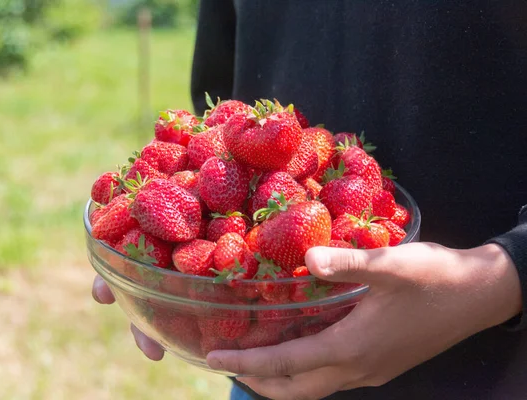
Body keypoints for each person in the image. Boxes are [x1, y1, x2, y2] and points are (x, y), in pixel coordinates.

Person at [92, 1, 527, 399]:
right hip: (261, 359)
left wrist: (507, 275)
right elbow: (220, 92)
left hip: (486, 371)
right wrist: (158, 278)